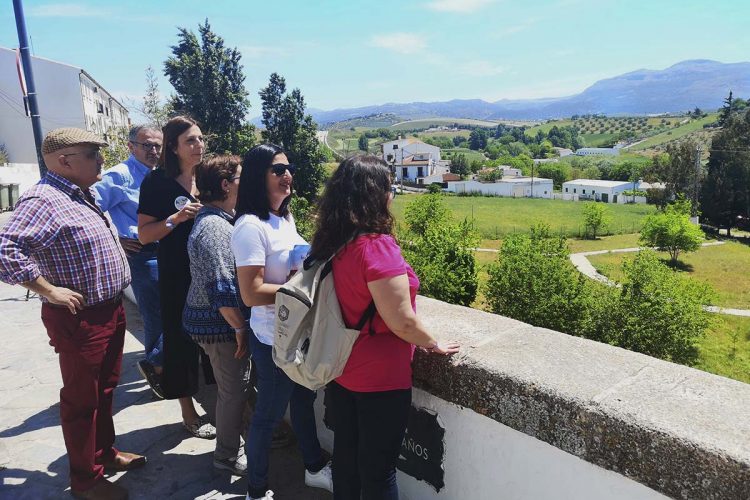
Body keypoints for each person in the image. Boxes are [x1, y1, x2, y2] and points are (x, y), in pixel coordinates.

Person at [0, 128, 145, 500]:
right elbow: (6, 250)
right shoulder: (44, 199)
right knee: (83, 400)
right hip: (81, 318)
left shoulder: (78, 194)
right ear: (64, 160)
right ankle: (86, 481)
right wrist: (48, 290)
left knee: (105, 390)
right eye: (92, 153)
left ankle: (103, 455)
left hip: (109, 310)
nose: (101, 160)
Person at [308, 155, 460, 500]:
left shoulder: (335, 242)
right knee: (378, 471)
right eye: (389, 187)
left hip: (342, 368)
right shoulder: (376, 246)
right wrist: (433, 342)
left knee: (346, 458)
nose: (392, 194)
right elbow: (402, 321)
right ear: (375, 195)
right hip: (379, 377)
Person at [232, 144, 332, 499]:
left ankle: (314, 467)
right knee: (267, 418)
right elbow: (251, 293)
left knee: (304, 402)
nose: (287, 175)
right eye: (277, 170)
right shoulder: (249, 227)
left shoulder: (283, 218)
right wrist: (300, 290)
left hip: (296, 331)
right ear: (259, 177)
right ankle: (256, 491)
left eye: (288, 169)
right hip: (274, 337)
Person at [137, 116, 216, 439]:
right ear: (173, 146)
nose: (199, 146)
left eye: (200, 139)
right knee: (179, 342)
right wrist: (176, 218)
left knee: (218, 340)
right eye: (191, 141)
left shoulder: (210, 177)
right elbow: (144, 235)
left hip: (211, 272)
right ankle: (188, 411)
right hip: (176, 273)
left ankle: (230, 407)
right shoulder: (156, 183)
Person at [183, 155, 251, 476]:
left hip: (216, 322)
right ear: (225, 185)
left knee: (234, 388)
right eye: (240, 179)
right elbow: (221, 288)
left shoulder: (220, 220)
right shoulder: (213, 228)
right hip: (219, 325)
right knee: (232, 391)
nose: (245, 184)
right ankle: (226, 454)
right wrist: (240, 328)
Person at [93, 124, 165, 398]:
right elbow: (89, 209)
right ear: (131, 146)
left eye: (158, 145)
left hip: (167, 251)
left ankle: (158, 363)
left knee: (178, 310)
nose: (153, 150)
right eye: (147, 145)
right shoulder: (119, 176)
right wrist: (117, 240)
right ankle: (158, 368)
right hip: (144, 255)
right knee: (156, 316)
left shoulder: (160, 175)